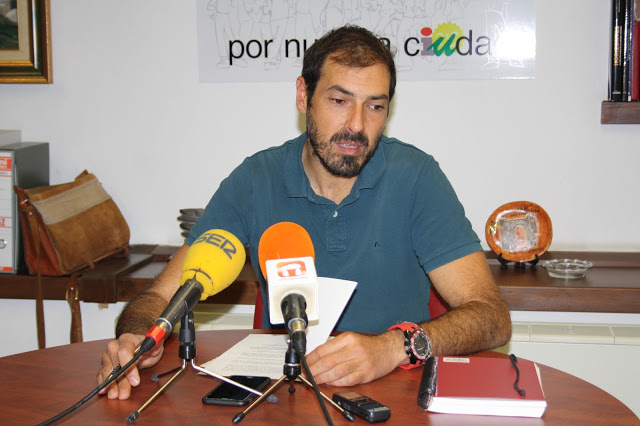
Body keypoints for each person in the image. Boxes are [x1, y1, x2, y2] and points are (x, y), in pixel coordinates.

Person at [96, 24, 511, 400]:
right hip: (284, 396)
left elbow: (491, 317)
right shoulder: (255, 179)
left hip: (395, 399)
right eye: (339, 100)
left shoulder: (417, 177)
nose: (356, 125)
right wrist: (135, 338)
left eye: (375, 106)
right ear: (303, 96)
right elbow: (160, 297)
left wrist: (392, 347)